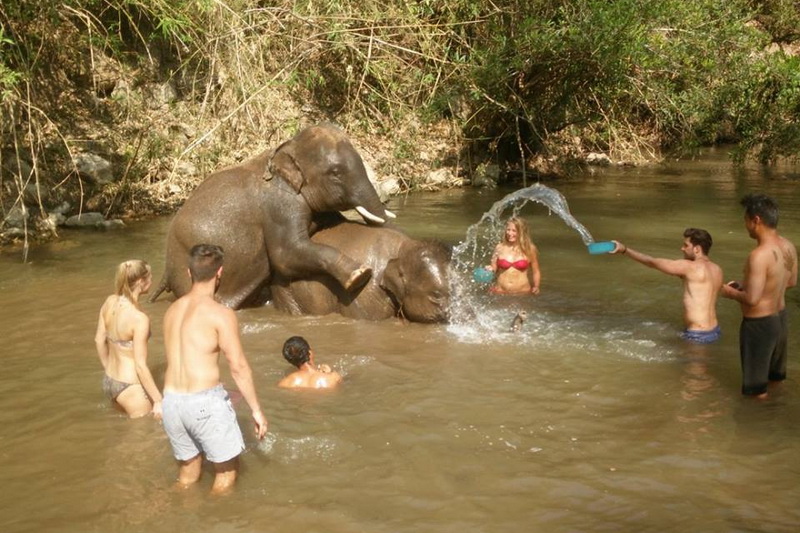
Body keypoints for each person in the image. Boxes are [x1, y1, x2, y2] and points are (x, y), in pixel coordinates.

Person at [161, 244, 268, 494]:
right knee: (227, 472)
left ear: (189, 273)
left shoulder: (171, 311)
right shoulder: (220, 314)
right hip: (203, 403)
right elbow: (238, 366)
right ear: (220, 273)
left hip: (172, 402)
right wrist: (256, 410)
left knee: (187, 475)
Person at [721, 194, 797, 398]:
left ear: (756, 220)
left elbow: (752, 299)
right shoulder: (788, 246)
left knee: (755, 393)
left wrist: (726, 291)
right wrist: (745, 285)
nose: (745, 225)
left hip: (759, 326)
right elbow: (790, 282)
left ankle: (754, 425)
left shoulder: (759, 255)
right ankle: (775, 419)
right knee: (775, 381)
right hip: (780, 320)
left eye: (746, 220)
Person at [611, 228, 724, 344]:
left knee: (695, 362)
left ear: (697, 249)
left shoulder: (689, 267)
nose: (682, 248)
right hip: (714, 330)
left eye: (686, 245)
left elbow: (652, 262)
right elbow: (720, 290)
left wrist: (624, 250)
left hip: (698, 334)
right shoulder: (717, 270)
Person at [94, 259, 163, 418]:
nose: (152, 280)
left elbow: (99, 340)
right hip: (131, 386)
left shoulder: (109, 301)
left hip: (110, 381)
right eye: (150, 277)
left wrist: (108, 369)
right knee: (144, 438)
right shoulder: (139, 318)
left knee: (123, 436)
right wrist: (158, 400)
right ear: (140, 281)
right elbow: (140, 365)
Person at [486, 216, 541, 295]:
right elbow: (494, 268)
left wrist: (536, 286)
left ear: (521, 232)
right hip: (500, 291)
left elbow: (536, 271)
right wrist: (490, 269)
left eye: (514, 231)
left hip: (522, 293)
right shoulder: (499, 247)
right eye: (508, 230)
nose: (510, 233)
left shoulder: (529, 249)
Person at [278, 336, 342, 389]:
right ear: (310, 352)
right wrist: (329, 372)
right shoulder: (333, 377)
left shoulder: (284, 383)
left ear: (290, 360)